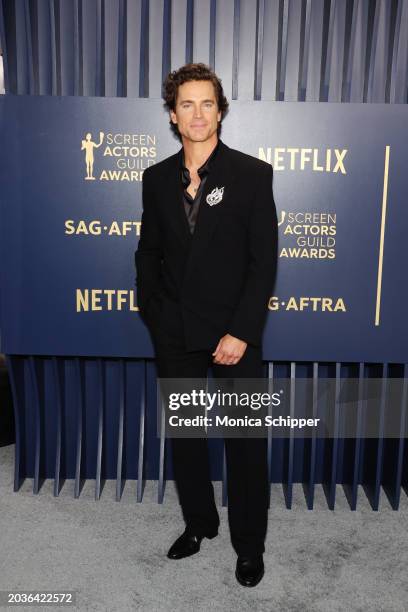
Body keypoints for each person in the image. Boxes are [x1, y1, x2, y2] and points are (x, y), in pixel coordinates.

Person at [135, 63, 278, 588]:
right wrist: (153, 310)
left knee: (245, 445)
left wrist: (241, 331)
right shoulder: (154, 178)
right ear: (173, 115)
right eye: (187, 105)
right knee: (188, 438)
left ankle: (249, 546)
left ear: (221, 111)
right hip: (175, 331)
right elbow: (148, 252)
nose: (198, 114)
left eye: (208, 103)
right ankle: (199, 524)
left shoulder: (252, 174)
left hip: (235, 334)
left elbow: (263, 261)